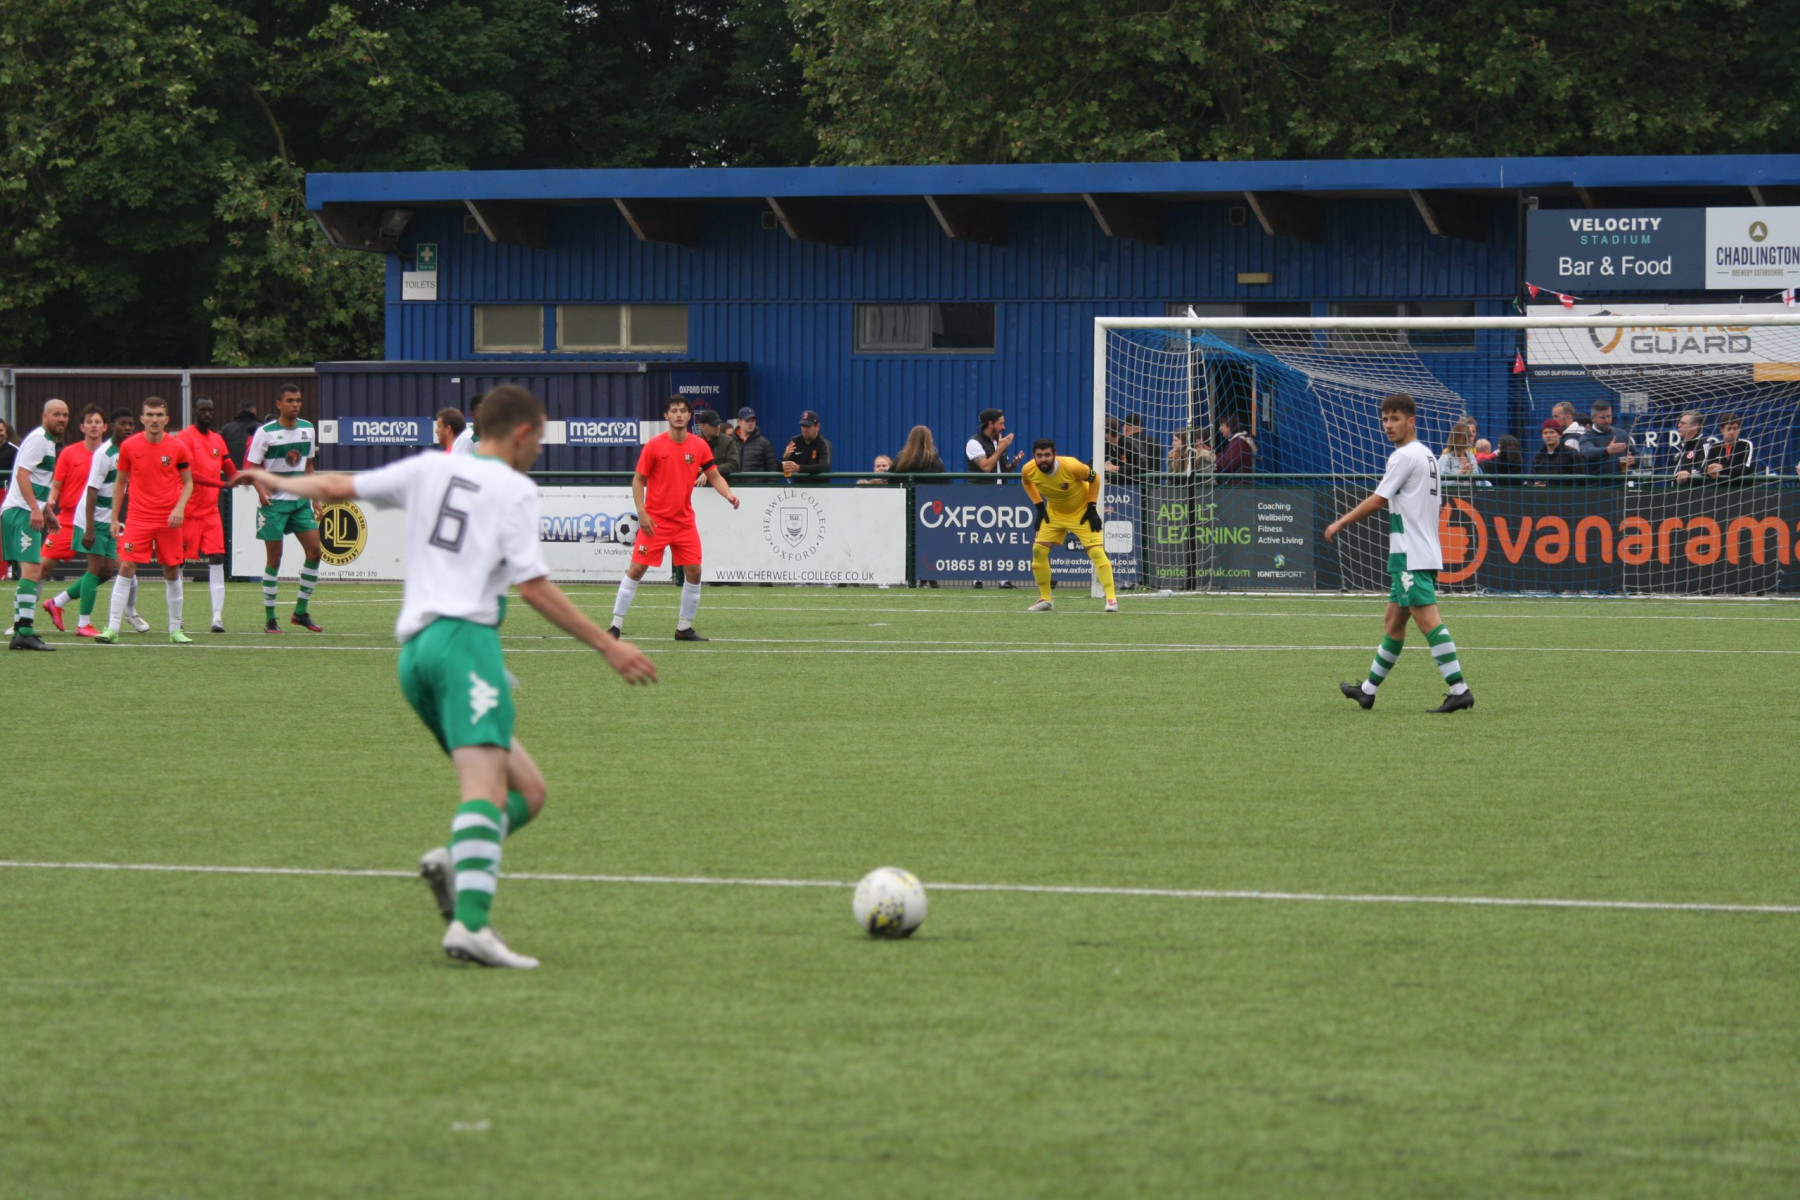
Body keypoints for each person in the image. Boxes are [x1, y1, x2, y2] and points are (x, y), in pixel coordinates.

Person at [230, 384, 658, 968]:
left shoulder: (430, 468)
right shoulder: (516, 489)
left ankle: (458, 859)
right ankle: (471, 925)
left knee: (529, 791)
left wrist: (270, 478)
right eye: (539, 440)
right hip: (465, 644)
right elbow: (534, 588)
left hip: (416, 655)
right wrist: (607, 646)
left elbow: (333, 487)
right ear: (522, 434)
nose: (539, 452)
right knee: (484, 791)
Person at [1325, 393, 1473, 714]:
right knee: (1393, 623)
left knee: (1428, 621)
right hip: (1419, 550)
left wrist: (1340, 522)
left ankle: (1459, 689)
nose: (1388, 425)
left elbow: (1379, 499)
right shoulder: (1427, 454)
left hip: (1410, 554)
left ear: (1411, 421)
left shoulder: (1403, 456)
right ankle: (1367, 691)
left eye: (1395, 419)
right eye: (1385, 419)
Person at [608, 396, 740, 641]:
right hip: (655, 522)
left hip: (684, 522)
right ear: (666, 416)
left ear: (689, 416)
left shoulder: (699, 446)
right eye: (674, 411)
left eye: (683, 411)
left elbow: (713, 475)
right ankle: (615, 626)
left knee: (695, 571)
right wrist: (642, 513)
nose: (679, 415)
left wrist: (728, 494)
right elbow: (638, 480)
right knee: (636, 569)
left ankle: (684, 628)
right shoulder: (654, 446)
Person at [96, 396, 194, 645]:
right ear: (142, 419)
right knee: (126, 566)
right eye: (150, 415)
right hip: (139, 517)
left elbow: (188, 483)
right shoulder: (129, 446)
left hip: (168, 519)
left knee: (171, 570)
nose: (154, 419)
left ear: (167, 419)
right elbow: (120, 483)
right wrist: (114, 518)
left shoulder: (178, 447)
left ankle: (176, 629)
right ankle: (112, 628)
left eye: (159, 415)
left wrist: (179, 508)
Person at [245, 383, 325, 633]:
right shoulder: (265, 433)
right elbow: (251, 468)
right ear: (279, 404)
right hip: (274, 505)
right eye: (290, 400)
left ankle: (300, 612)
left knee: (315, 552)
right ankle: (270, 617)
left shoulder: (307, 429)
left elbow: (308, 465)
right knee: (275, 558)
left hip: (300, 502)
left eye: (298, 400)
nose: (295, 405)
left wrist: (315, 498)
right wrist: (261, 491)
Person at [64, 408, 140, 637]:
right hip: (94, 518)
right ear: (112, 427)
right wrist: (89, 528)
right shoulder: (105, 454)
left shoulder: (129, 451)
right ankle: (83, 623)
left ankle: (57, 602)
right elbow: (92, 491)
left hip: (109, 519)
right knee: (95, 569)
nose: (127, 428)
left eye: (130, 424)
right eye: (122, 424)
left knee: (107, 571)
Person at [1020, 439, 1118, 614]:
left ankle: (1111, 599)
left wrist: (1092, 508)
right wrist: (1039, 507)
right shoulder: (1028, 469)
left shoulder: (1072, 466)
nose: (1043, 459)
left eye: (1047, 455)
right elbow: (1026, 483)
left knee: (1096, 552)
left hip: (1082, 512)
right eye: (1039, 456)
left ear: (1054, 455)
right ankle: (1046, 598)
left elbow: (1095, 479)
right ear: (1034, 456)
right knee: (1038, 551)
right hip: (1054, 513)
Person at [4, 399, 69, 650]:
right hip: (21, 512)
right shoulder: (40, 440)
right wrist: (34, 508)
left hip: (24, 511)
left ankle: (20, 631)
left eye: (65, 415)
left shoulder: (48, 442)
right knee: (32, 571)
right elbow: (22, 474)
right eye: (56, 414)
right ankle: (25, 632)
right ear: (45, 416)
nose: (61, 419)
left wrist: (47, 511)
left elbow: (37, 481)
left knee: (31, 571)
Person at [39, 405, 107, 635]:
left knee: (113, 568)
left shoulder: (111, 453)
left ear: (105, 427)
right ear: (81, 427)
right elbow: (56, 485)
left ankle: (129, 614)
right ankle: (22, 620)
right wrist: (50, 504)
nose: (94, 426)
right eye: (89, 422)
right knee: (41, 568)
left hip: (98, 520)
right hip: (68, 520)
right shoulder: (69, 453)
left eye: (98, 422)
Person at [178, 397, 237, 632]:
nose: (207, 414)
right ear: (195, 411)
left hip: (210, 512)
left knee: (217, 558)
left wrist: (245, 479)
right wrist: (221, 484)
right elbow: (190, 474)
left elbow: (229, 467)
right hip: (188, 511)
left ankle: (217, 618)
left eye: (210, 410)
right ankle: (177, 617)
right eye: (203, 410)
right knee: (178, 562)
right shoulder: (185, 438)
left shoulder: (217, 440)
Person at [1578, 398, 1638, 476]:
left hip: (1621, 482)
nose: (1607, 420)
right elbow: (1588, 452)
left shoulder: (1622, 434)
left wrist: (1634, 460)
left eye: (1609, 416)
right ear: (1593, 419)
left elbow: (1637, 454)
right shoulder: (1586, 437)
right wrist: (1607, 450)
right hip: (1597, 483)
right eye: (1602, 417)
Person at [966, 408, 1021, 479]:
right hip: (981, 486)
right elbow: (986, 468)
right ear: (990, 424)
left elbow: (1002, 471)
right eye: (1001, 424)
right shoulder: (974, 443)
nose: (1003, 427)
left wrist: (1013, 464)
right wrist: (1001, 448)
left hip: (1000, 486)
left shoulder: (999, 442)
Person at [781, 410, 832, 482]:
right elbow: (781, 469)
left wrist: (799, 468)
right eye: (803, 426)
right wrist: (785, 457)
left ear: (817, 427)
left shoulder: (824, 444)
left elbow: (825, 467)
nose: (804, 429)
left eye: (808, 426)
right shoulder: (794, 442)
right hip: (799, 487)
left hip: (819, 487)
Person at [1704, 413, 1755, 481]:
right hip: (1718, 486)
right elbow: (1704, 468)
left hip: (1740, 485)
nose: (1732, 432)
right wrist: (1710, 470)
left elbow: (1746, 469)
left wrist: (1722, 468)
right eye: (1729, 429)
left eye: (1735, 429)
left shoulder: (1746, 445)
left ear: (1739, 430)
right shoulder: (1715, 447)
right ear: (1722, 430)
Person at [693, 409, 740, 477]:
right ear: (702, 426)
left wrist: (710, 471)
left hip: (721, 481)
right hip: (698, 483)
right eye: (714, 425)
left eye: (718, 424)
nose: (717, 427)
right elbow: (686, 463)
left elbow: (734, 464)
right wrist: (694, 468)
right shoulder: (695, 442)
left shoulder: (728, 441)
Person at [1669, 410, 1712, 484]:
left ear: (1695, 426)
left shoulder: (1703, 445)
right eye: (1679, 423)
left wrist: (1689, 472)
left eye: (1683, 423)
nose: (1678, 425)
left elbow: (1706, 469)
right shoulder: (1680, 447)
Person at [1437, 418, 1484, 484]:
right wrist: (1461, 473)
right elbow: (1440, 483)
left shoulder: (1471, 456)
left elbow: (1478, 483)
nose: (1472, 436)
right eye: (1469, 435)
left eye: (1473, 432)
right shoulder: (1445, 459)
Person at [732, 407, 779, 474]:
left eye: (753, 420)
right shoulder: (730, 442)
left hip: (757, 481)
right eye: (747, 420)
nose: (750, 423)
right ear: (739, 422)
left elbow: (773, 468)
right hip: (734, 481)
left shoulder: (764, 443)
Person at [219, 405, 261, 469]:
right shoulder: (262, 429)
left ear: (239, 410)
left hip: (229, 473)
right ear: (254, 410)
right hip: (253, 473)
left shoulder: (226, 429)